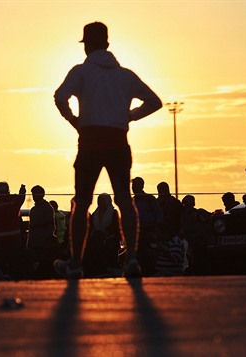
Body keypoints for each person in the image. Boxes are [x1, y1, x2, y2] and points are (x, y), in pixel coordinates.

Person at [53, 21, 162, 279]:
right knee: (124, 199)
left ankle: (76, 263)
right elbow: (154, 102)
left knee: (81, 203)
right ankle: (132, 260)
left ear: (86, 46)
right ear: (108, 44)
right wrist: (130, 115)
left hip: (90, 138)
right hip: (117, 139)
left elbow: (59, 97)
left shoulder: (81, 72)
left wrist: (74, 121)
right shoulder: (125, 75)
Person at [0, 182, 26, 278]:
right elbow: (21, 198)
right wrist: (22, 189)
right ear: (8, 190)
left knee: (0, 266)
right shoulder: (14, 200)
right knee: (14, 265)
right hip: (14, 239)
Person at [83, 193, 122, 277]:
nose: (100, 203)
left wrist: (107, 233)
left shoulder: (113, 212)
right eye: (99, 201)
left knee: (111, 261)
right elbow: (91, 226)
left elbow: (116, 226)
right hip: (97, 241)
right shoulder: (95, 213)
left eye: (102, 201)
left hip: (110, 240)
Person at [132, 176, 163, 276]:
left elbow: (159, 215)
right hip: (136, 234)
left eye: (135, 185)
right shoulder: (132, 200)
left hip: (149, 232)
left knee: (148, 259)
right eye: (133, 185)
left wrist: (155, 231)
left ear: (141, 186)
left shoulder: (149, 199)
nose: (133, 187)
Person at [27, 185, 57, 279]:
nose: (34, 196)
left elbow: (50, 226)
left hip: (42, 244)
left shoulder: (47, 208)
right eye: (33, 194)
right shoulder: (34, 209)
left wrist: (47, 240)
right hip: (34, 243)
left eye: (36, 194)